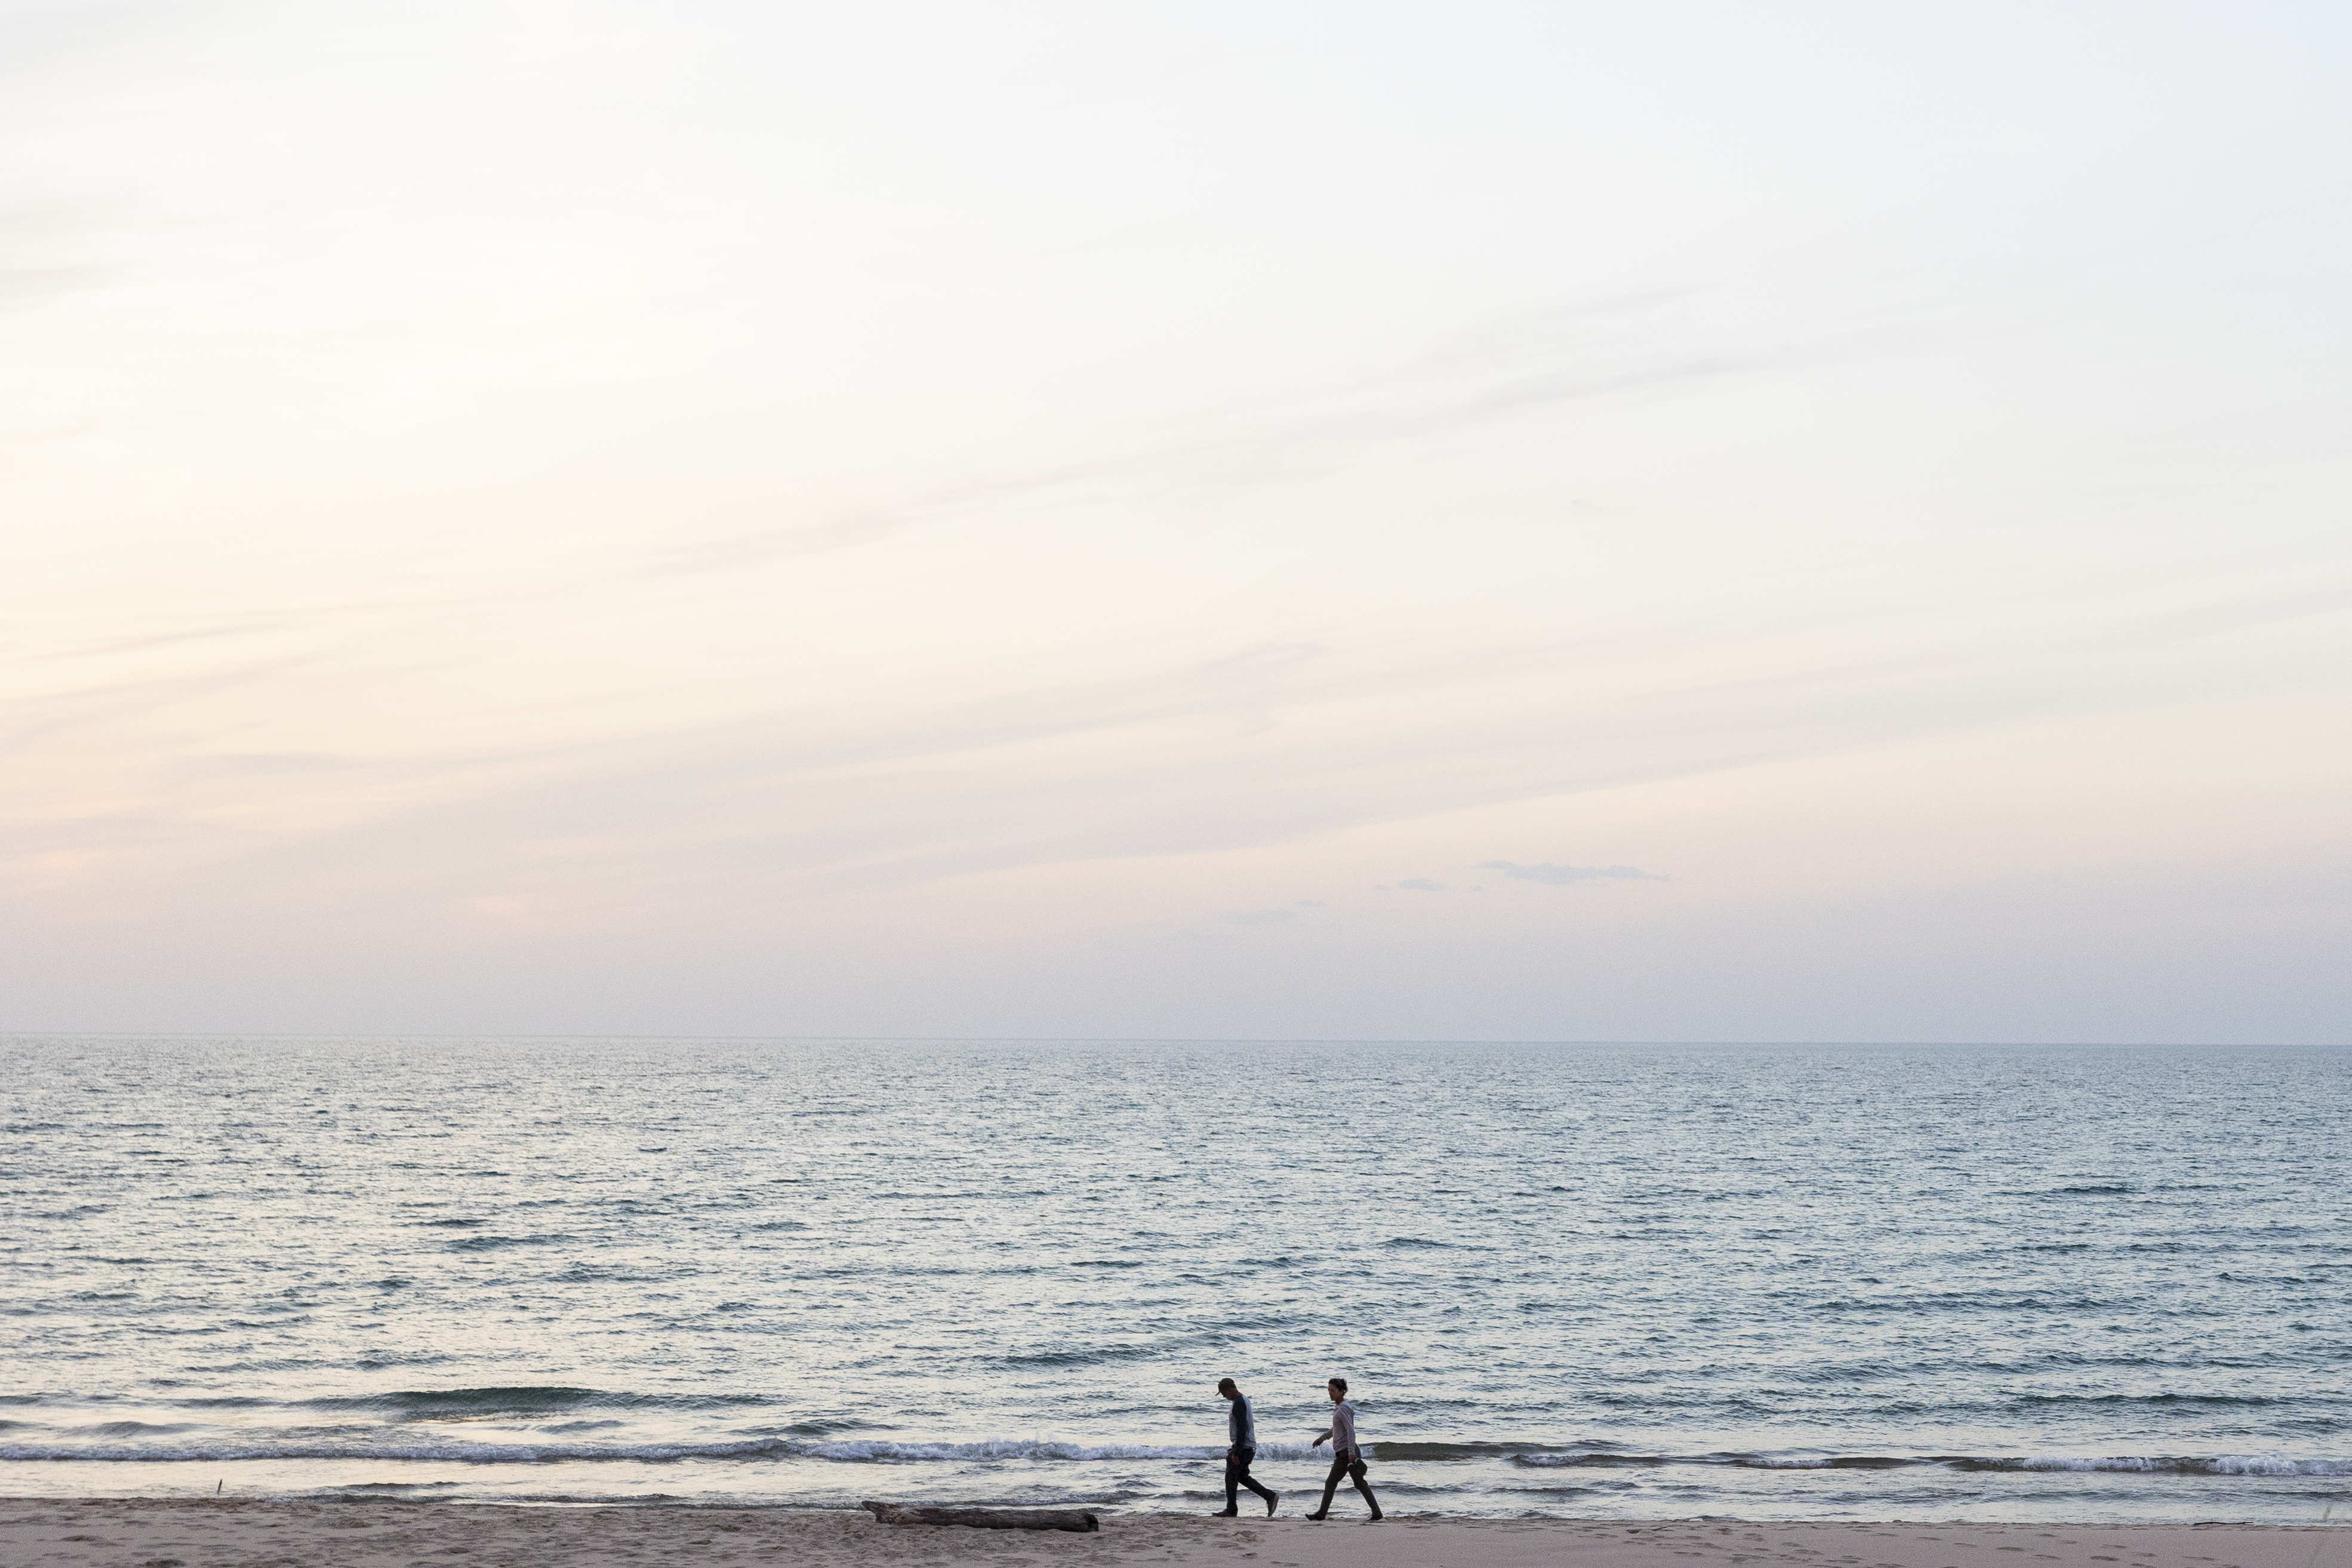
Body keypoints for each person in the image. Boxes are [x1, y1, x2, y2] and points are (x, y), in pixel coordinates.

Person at [1306, 1376, 1381, 1522]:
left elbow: (1350, 1431)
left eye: (1333, 1390)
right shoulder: (1342, 1407)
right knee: (1359, 1484)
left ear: (1341, 1392)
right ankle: (1377, 1512)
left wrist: (1352, 1453)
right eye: (1328, 1390)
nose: (1330, 1393)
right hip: (1346, 1452)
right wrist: (1322, 1438)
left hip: (1346, 1454)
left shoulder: (1342, 1409)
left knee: (1331, 1483)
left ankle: (1321, 1514)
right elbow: (1337, 1429)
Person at [1213, 1377, 1279, 1517]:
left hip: (1244, 1447)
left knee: (1231, 1476)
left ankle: (1231, 1510)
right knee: (1242, 1476)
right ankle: (1269, 1496)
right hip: (1248, 1446)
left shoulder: (1239, 1403)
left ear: (1231, 1389)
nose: (1224, 1397)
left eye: (1224, 1393)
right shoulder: (1244, 1400)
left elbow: (1242, 1428)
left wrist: (1236, 1452)